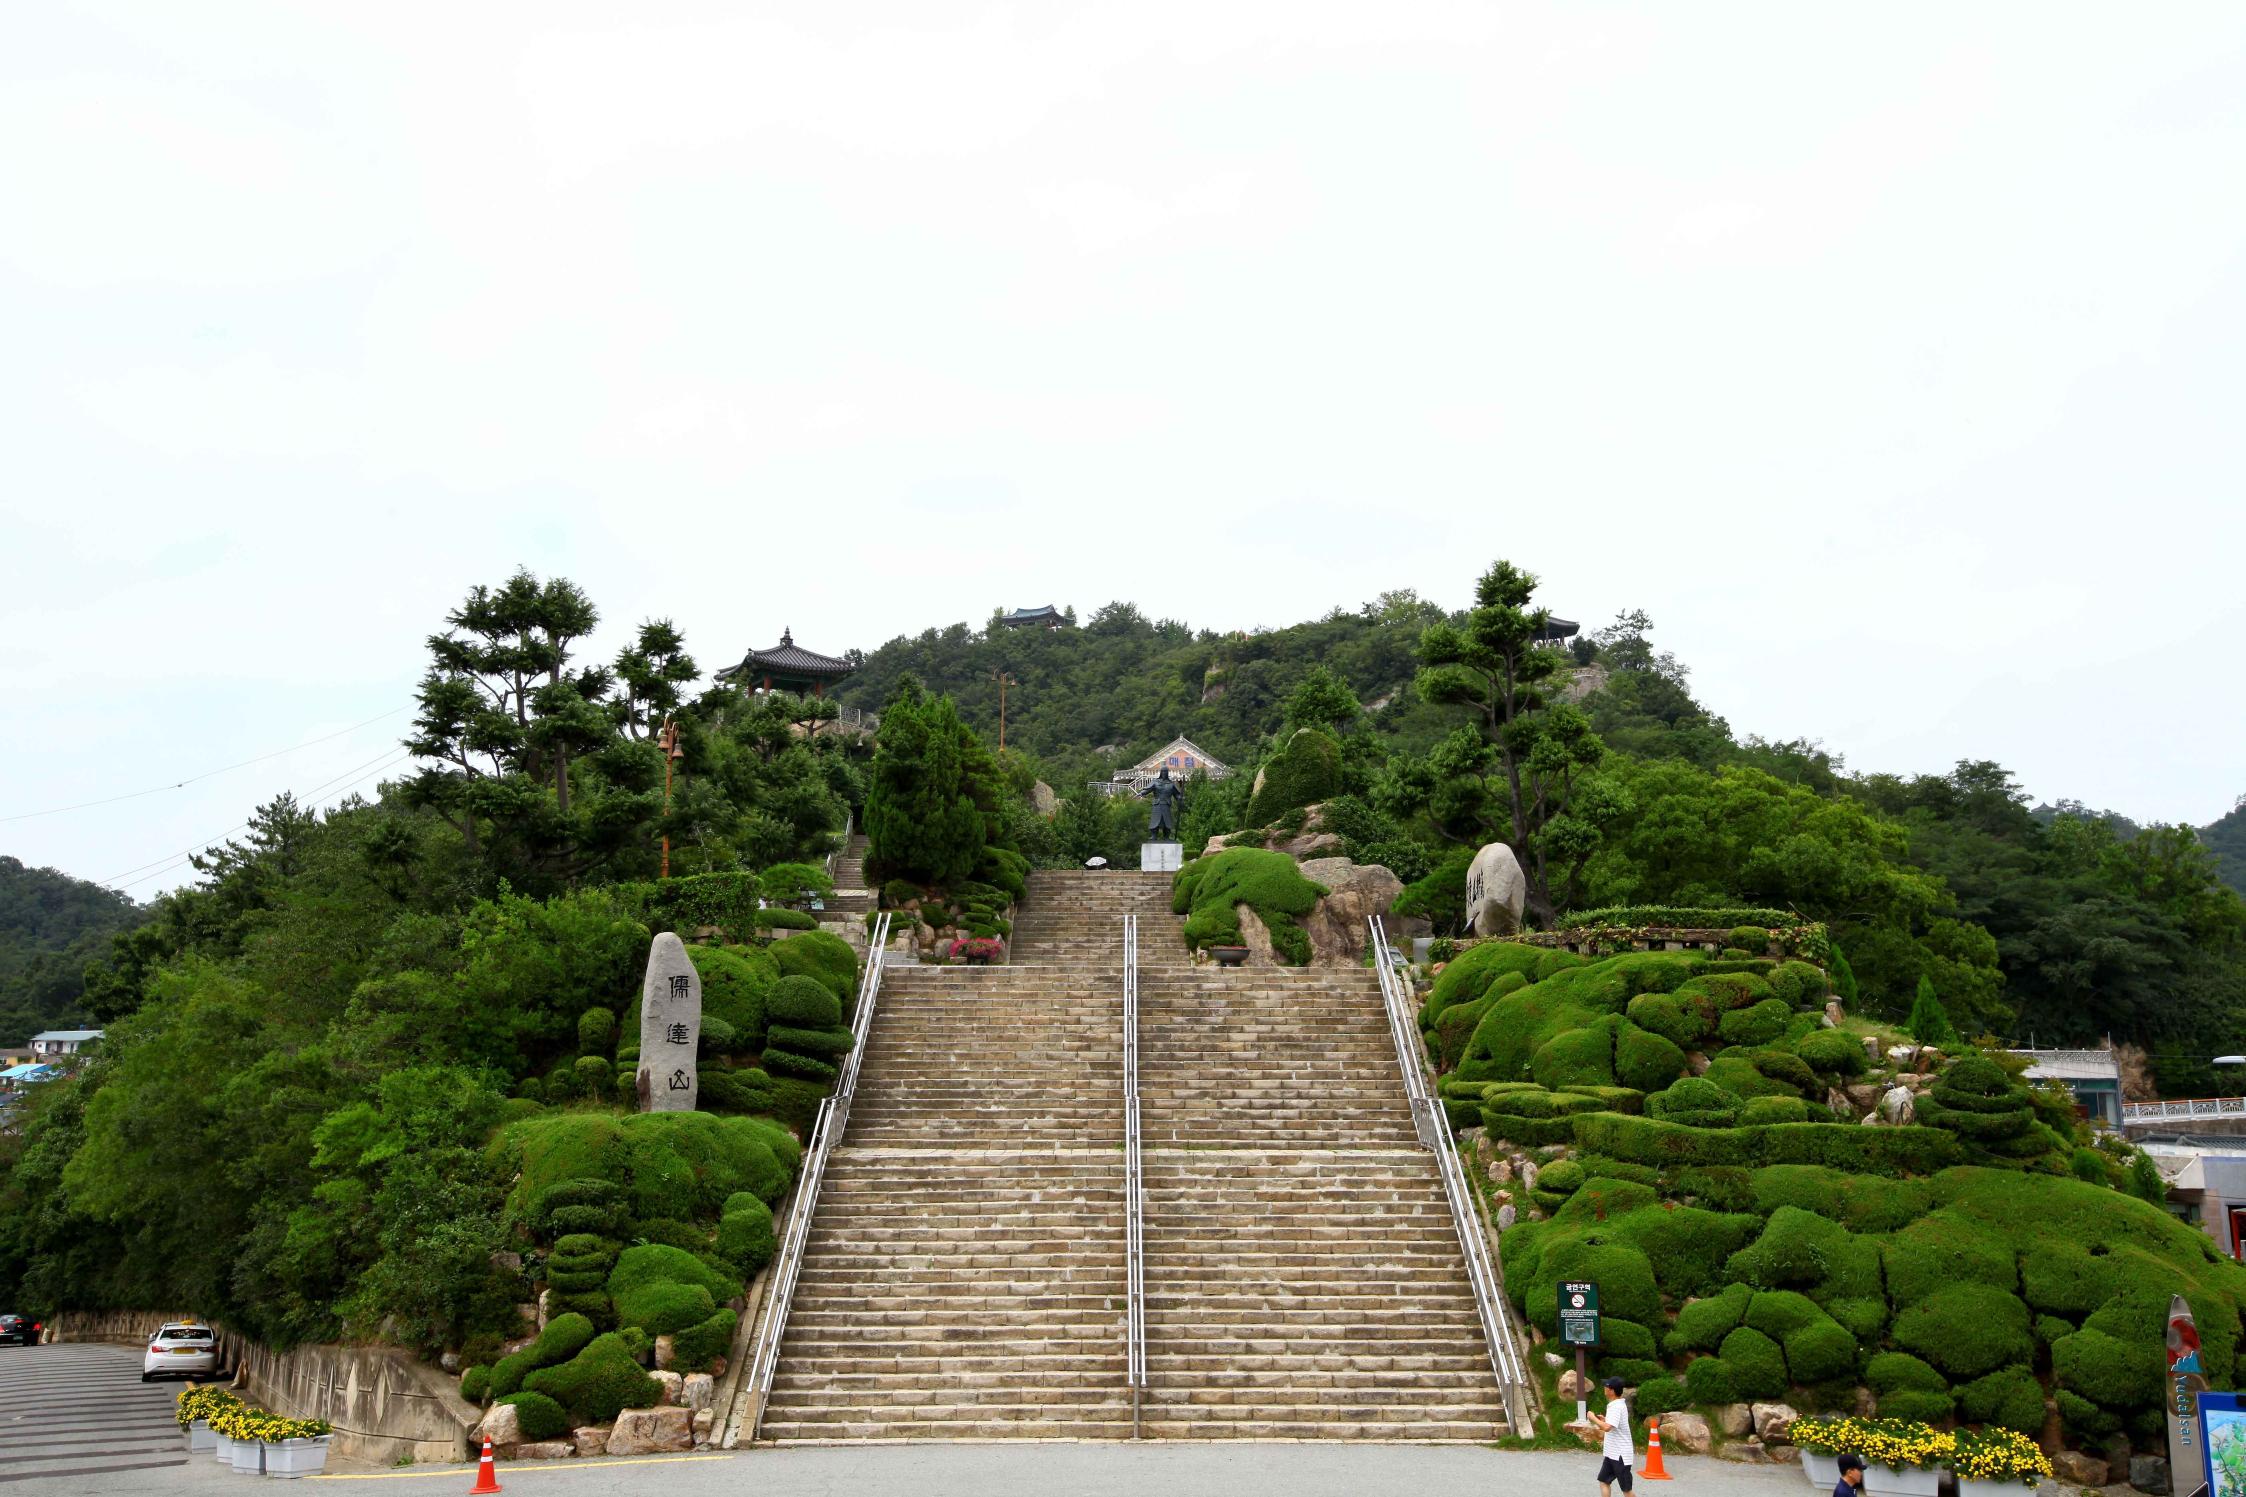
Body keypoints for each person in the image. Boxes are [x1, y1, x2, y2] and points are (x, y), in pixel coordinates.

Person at [1590, 1375, 1633, 1496]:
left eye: (1606, 1386)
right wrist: (1605, 1419)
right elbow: (1612, 1424)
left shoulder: (1616, 1406)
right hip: (1612, 1454)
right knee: (1604, 1481)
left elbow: (1607, 1428)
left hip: (1620, 1455)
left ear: (1612, 1390)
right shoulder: (1616, 1405)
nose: (1604, 1387)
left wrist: (1592, 1418)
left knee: (1627, 1491)